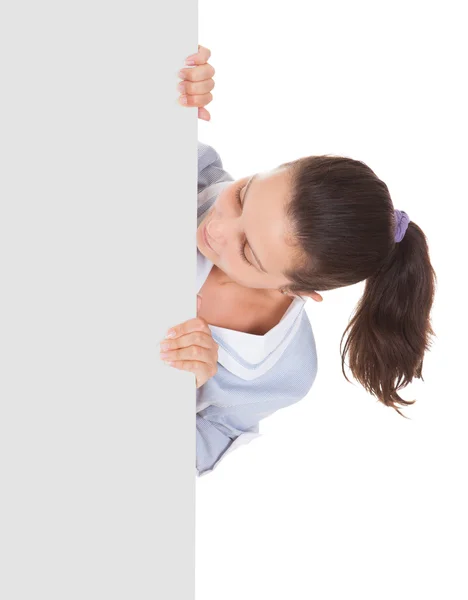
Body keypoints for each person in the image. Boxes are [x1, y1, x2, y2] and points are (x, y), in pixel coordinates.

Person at [164, 46, 437, 477]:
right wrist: (167, 89)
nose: (216, 229)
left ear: (298, 290)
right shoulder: (192, 175)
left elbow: (190, 457)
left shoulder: (282, 371)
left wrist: (179, 392)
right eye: (243, 195)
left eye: (248, 251)